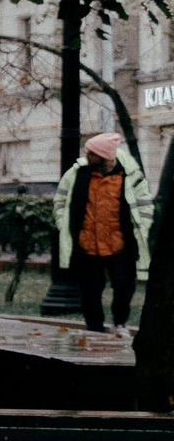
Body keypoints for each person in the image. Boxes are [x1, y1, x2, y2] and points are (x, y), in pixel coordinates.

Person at [54, 132, 152, 333]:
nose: (87, 156)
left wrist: (144, 226)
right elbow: (60, 200)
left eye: (92, 153)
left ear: (105, 156)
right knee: (89, 291)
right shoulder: (76, 174)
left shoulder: (131, 175)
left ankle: (119, 322)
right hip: (86, 246)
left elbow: (145, 205)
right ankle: (94, 327)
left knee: (125, 286)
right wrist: (62, 222)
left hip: (120, 245)